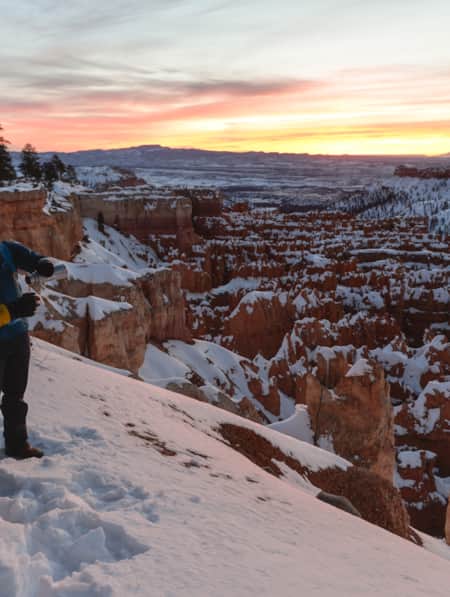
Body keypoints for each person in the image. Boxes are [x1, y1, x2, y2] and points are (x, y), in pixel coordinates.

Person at [0, 240, 54, 459]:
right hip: (12, 325)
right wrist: (13, 310)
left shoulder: (5, 249)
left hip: (16, 335)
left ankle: (17, 446)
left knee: (15, 397)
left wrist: (42, 263)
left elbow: (30, 257)